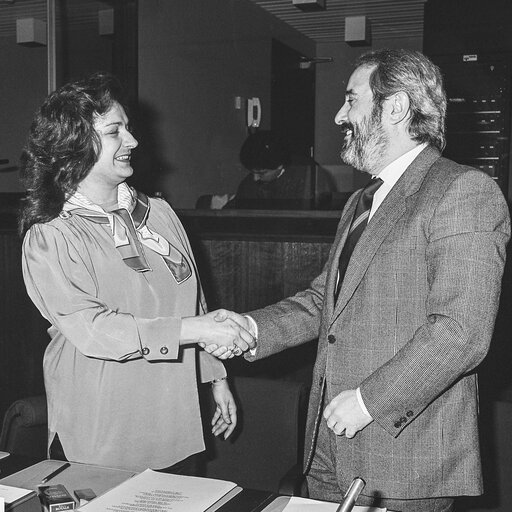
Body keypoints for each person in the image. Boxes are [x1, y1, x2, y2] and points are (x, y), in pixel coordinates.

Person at [207, 49, 511, 511]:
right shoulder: (360, 202)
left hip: (404, 458)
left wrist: (369, 402)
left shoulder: (463, 191)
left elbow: (461, 332)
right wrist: (252, 329)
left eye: (351, 100)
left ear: (395, 107)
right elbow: (324, 301)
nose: (338, 114)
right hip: (328, 446)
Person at [19, 72, 254, 474]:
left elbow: (193, 302)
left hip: (175, 414)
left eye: (128, 128)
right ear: (75, 143)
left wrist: (216, 376)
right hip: (103, 425)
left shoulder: (159, 213)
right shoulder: (53, 235)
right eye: (115, 131)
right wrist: (197, 331)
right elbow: (92, 329)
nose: (133, 140)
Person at [223, 130, 334, 210]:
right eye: (253, 172)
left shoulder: (308, 174)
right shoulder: (249, 183)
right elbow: (236, 208)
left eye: (262, 173)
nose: (255, 178)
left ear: (279, 166)